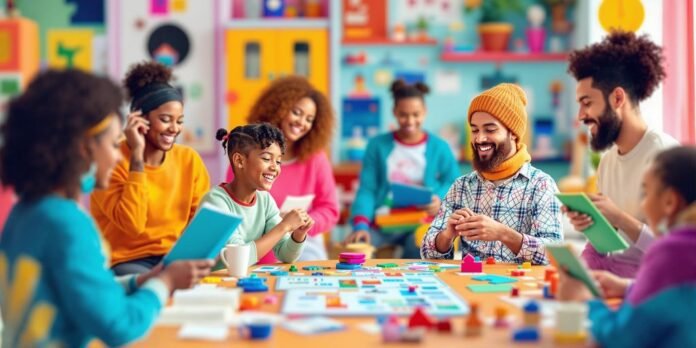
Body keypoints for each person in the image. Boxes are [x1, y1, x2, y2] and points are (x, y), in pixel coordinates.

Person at [0, 69, 213, 347]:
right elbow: (120, 326)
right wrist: (166, 283)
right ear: (83, 148)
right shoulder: (68, 225)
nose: (117, 155)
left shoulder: (24, 214)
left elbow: (82, 293)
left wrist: (142, 281)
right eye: (113, 144)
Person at [564, 30, 679, 277]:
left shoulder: (666, 156)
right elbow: (610, 247)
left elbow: (678, 254)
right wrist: (593, 228)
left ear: (617, 98)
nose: (581, 115)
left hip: (653, 291)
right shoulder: (608, 162)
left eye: (587, 102)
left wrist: (619, 217)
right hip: (616, 286)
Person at [558, 146, 696, 347]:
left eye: (646, 193)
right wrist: (628, 287)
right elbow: (679, 299)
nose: (642, 205)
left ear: (670, 201)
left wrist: (584, 301)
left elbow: (620, 338)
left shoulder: (671, 251)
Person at [90, 62, 211, 275]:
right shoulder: (111, 161)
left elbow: (198, 224)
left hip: (174, 258)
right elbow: (134, 224)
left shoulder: (189, 160)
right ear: (139, 119)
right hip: (126, 262)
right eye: (165, 120)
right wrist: (137, 158)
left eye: (179, 121)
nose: (174, 129)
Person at [421, 83, 562, 264]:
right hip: (469, 286)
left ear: (512, 133)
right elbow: (427, 253)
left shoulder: (541, 185)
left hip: (519, 288)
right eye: (475, 130)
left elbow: (555, 256)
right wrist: (447, 235)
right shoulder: (462, 186)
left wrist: (503, 234)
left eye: (490, 129)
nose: (479, 138)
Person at [343, 80, 461, 258]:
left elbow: (453, 182)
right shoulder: (377, 146)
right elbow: (367, 188)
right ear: (394, 112)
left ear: (425, 112)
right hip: (382, 221)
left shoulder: (439, 147)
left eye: (416, 114)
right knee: (358, 249)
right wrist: (361, 223)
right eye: (403, 115)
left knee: (419, 252)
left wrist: (439, 200)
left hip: (421, 222)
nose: (410, 121)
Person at [226, 76, 338, 262]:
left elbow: (330, 208)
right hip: (257, 242)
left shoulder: (316, 158)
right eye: (296, 112)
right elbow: (236, 208)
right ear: (278, 109)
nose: (302, 122)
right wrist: (279, 225)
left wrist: (301, 222)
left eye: (309, 119)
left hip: (302, 241)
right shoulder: (246, 153)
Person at [205, 123, 312, 265]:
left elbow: (286, 255)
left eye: (278, 161)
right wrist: (284, 226)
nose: (275, 167)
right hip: (210, 283)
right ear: (239, 161)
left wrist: (298, 234)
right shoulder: (216, 202)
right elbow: (237, 260)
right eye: (267, 159)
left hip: (238, 282)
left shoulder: (265, 200)